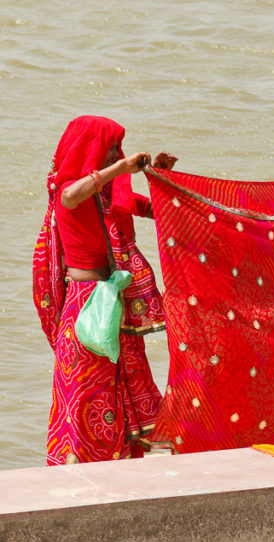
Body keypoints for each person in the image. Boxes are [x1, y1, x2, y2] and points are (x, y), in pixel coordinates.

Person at [33, 115, 175, 465]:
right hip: (85, 307)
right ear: (92, 150)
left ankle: (117, 460)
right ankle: (74, 464)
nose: (116, 155)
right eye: (110, 149)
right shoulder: (69, 189)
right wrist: (118, 170)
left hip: (113, 302)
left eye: (118, 149)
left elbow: (153, 210)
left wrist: (163, 179)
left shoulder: (109, 194)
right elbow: (70, 194)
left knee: (118, 386)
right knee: (85, 391)